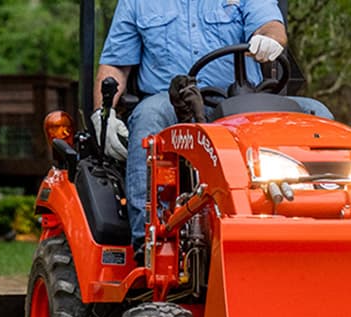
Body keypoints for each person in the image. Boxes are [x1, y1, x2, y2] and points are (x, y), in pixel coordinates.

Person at [92, 0, 332, 245]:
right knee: (148, 115)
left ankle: (331, 218)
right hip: (173, 103)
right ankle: (150, 240)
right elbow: (115, 65)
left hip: (241, 101)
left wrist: (268, 40)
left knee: (317, 111)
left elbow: (271, 27)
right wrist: (103, 113)